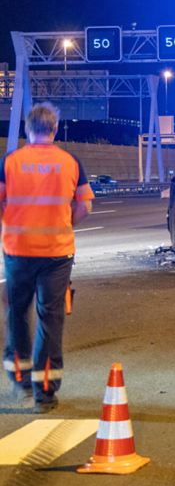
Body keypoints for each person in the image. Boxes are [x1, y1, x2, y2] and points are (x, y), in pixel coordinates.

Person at [2, 103, 93, 413]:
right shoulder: (70, 162)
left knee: (17, 314)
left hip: (18, 251)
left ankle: (19, 379)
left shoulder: (11, 162)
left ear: (28, 130)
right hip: (56, 252)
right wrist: (64, 224)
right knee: (50, 319)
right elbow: (85, 207)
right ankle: (45, 394)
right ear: (55, 129)